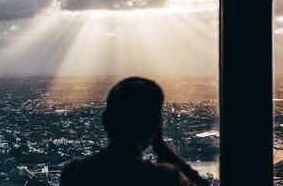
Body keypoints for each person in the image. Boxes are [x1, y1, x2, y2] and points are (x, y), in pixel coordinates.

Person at [60, 77, 209, 186]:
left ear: (106, 121)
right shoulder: (165, 177)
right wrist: (163, 150)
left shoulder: (75, 172)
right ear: (155, 128)